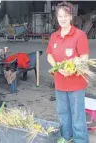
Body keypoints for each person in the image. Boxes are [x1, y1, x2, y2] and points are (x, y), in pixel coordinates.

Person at [46, 2, 89, 143]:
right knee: (63, 113)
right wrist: (58, 66)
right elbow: (49, 55)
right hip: (60, 82)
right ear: (56, 18)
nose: (62, 18)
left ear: (71, 16)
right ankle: (66, 137)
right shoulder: (54, 36)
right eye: (60, 16)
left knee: (77, 115)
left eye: (66, 15)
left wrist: (72, 68)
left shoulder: (79, 35)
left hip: (76, 83)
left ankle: (81, 140)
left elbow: (84, 58)